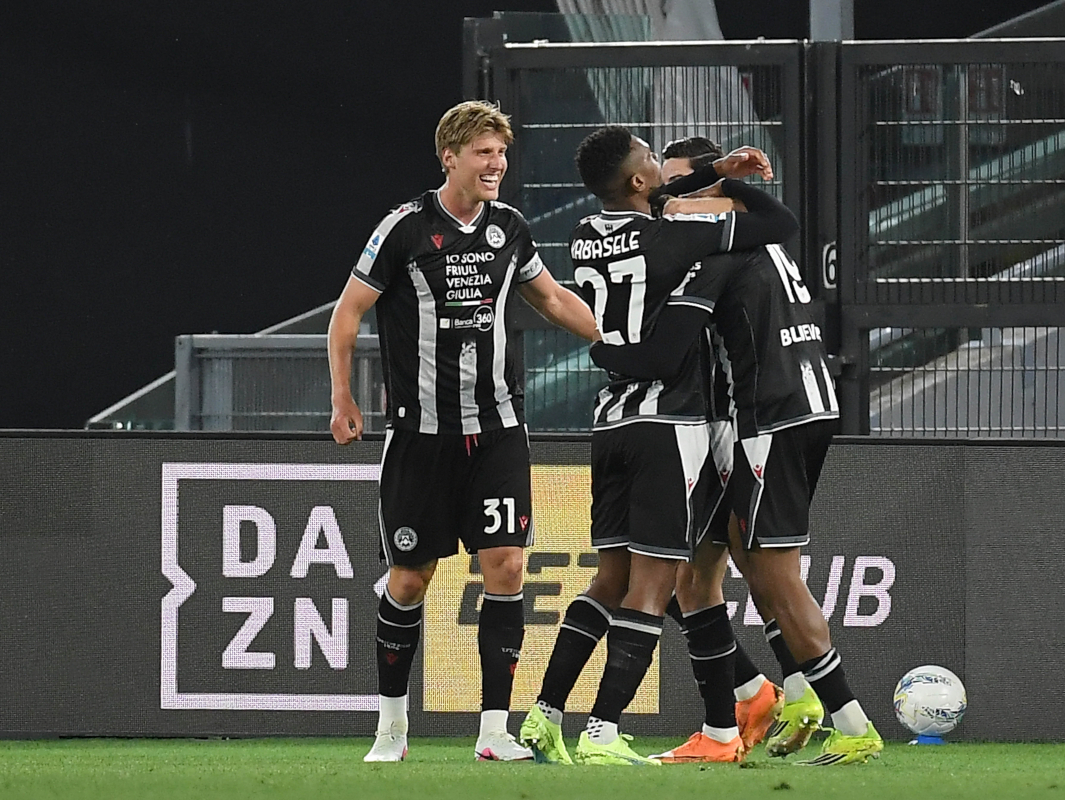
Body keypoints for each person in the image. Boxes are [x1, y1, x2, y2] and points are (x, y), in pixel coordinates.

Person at [589, 138, 885, 766]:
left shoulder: (721, 247)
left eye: (680, 192)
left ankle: (848, 720)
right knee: (699, 565)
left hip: (767, 419)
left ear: (715, 200)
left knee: (764, 573)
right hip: (794, 409)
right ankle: (766, 703)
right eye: (662, 191)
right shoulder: (751, 239)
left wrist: (608, 353)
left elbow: (667, 349)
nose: (666, 204)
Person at [327, 100, 598, 763]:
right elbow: (347, 313)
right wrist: (342, 398)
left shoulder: (511, 228)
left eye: (501, 153)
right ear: (449, 157)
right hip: (420, 437)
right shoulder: (404, 228)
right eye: (484, 152)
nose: (496, 164)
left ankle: (493, 733)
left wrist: (617, 340)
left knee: (506, 566)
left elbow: (553, 298)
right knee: (411, 578)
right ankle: (391, 729)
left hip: (499, 432)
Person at [519, 125, 799, 766]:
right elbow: (776, 223)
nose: (664, 168)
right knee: (654, 586)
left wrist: (687, 180)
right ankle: (603, 733)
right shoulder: (680, 241)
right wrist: (723, 181)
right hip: (669, 424)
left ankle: (543, 716)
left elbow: (644, 200)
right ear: (642, 181)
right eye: (653, 159)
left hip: (611, 419)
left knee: (608, 580)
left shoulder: (586, 234)